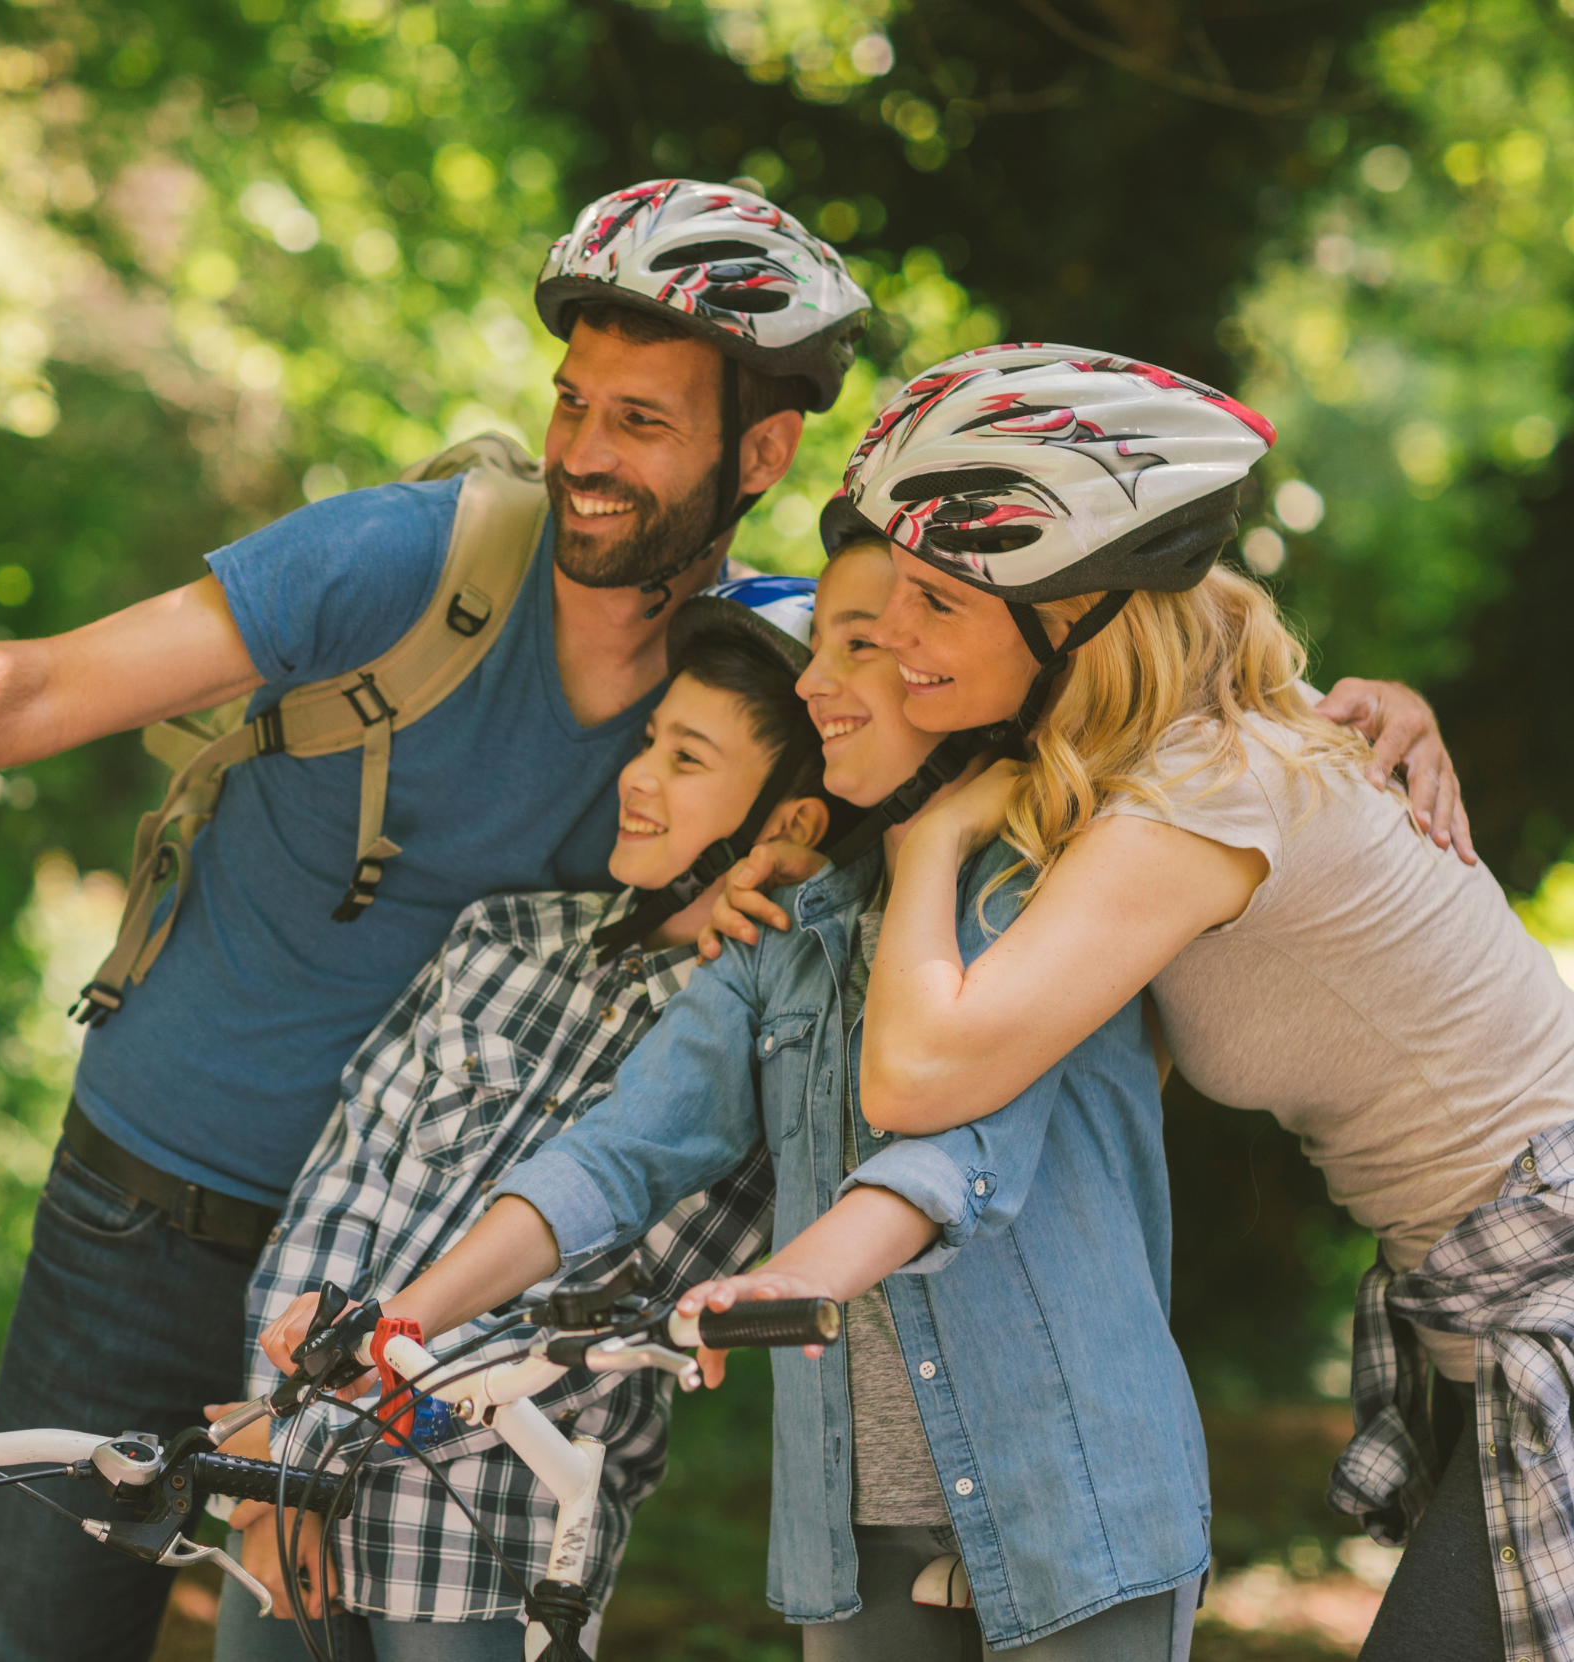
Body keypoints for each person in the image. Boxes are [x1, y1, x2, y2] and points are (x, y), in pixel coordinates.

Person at [0, 180, 876, 1661]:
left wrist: (787, 886)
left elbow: (944, 823)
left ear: (763, 449)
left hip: (406, 1283)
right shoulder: (406, 559)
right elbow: (53, 682)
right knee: (43, 1638)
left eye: (642, 422)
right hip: (150, 1207)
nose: (584, 454)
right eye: (573, 405)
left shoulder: (758, 690)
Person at [725, 342, 1574, 1662]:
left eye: (943, 603)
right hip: (1480, 1306)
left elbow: (917, 1077)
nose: (895, 637)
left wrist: (930, 842)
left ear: (1079, 614)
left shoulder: (1195, 791)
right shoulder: (1183, 749)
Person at [261, 536, 1207, 1658]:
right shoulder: (785, 937)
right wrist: (409, 1312)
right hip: (855, 1526)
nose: (817, 683)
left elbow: (951, 1153)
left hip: (1069, 1493)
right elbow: (617, 1152)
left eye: (860, 649)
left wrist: (792, 1277)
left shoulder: (1044, 894)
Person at [210, 575, 831, 1659]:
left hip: (491, 1538)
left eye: (688, 760)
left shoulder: (770, 1040)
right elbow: (341, 1190)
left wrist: (321, 1437)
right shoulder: (504, 937)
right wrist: (280, 1453)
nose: (637, 777)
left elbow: (585, 1310)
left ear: (790, 817)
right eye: (649, 742)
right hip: (293, 1476)